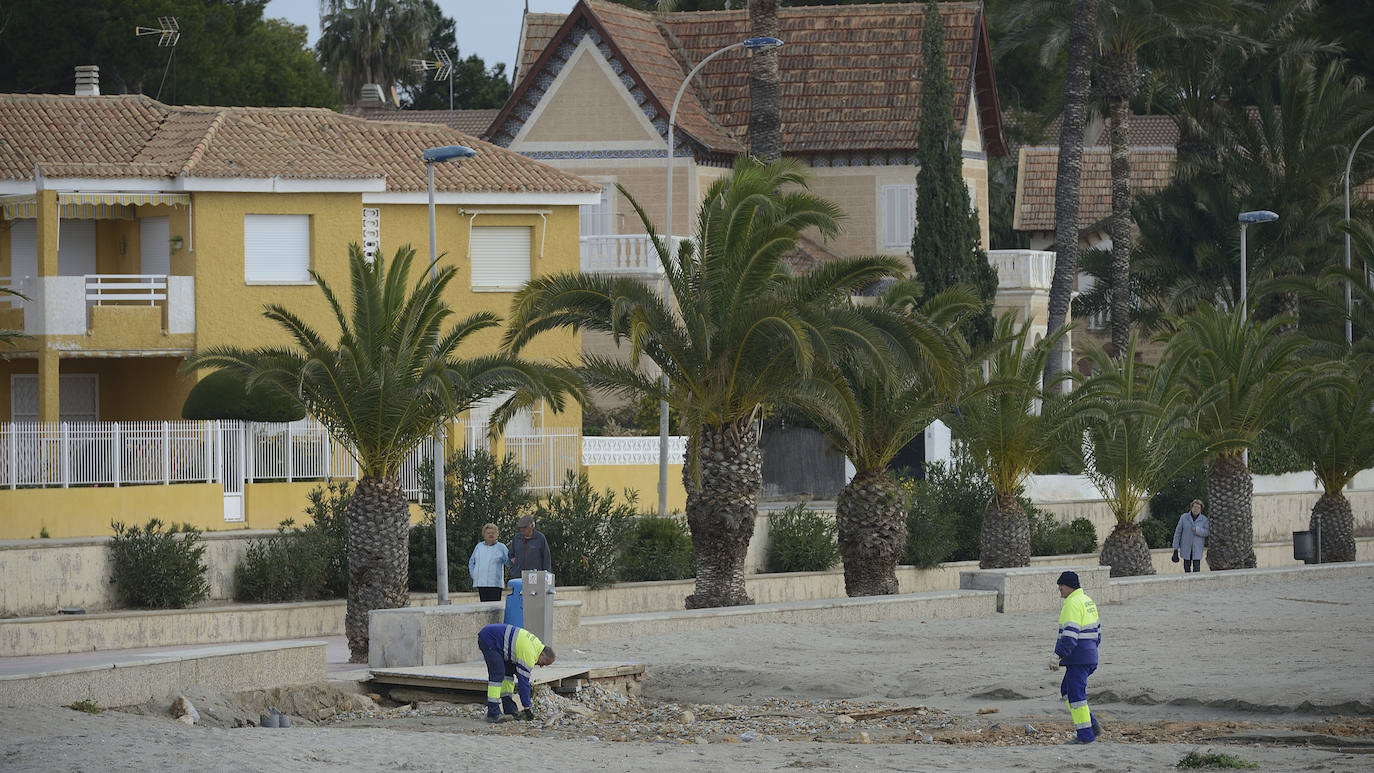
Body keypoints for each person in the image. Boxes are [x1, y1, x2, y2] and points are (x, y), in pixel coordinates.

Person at [1052, 571, 1103, 744]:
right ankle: (1093, 725)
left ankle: (1085, 736)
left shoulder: (1072, 603)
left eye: (1061, 585)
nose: (1059, 588)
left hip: (1078, 659)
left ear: (1069, 586)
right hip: (1089, 656)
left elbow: (1069, 636)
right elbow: (1098, 633)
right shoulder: (1088, 601)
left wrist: (1057, 655)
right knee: (1067, 691)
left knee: (1076, 696)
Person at [476, 622, 555, 723]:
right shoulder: (529, 655)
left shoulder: (536, 645)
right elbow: (523, 683)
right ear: (542, 654)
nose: (541, 666)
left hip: (496, 638)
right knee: (497, 674)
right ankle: (493, 713)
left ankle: (510, 709)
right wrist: (527, 708)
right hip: (490, 639)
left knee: (508, 674)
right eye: (544, 663)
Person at [468, 523, 511, 602]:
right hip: (481, 583)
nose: (490, 535)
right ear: (484, 535)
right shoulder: (479, 546)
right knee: (484, 607)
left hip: (495, 584)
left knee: (494, 608)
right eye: (488, 533)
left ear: (497, 534)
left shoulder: (501, 547)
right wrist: (474, 575)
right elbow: (472, 562)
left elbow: (509, 562)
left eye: (493, 533)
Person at [1172, 499, 1209, 573]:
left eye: (1198, 508)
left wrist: (1197, 530)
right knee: (1187, 569)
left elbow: (1207, 532)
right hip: (1186, 547)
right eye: (1194, 507)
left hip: (1197, 548)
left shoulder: (1204, 520)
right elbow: (1178, 533)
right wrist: (1175, 548)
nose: (1196, 509)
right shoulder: (1184, 517)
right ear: (1191, 507)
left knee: (1197, 569)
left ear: (1201, 509)